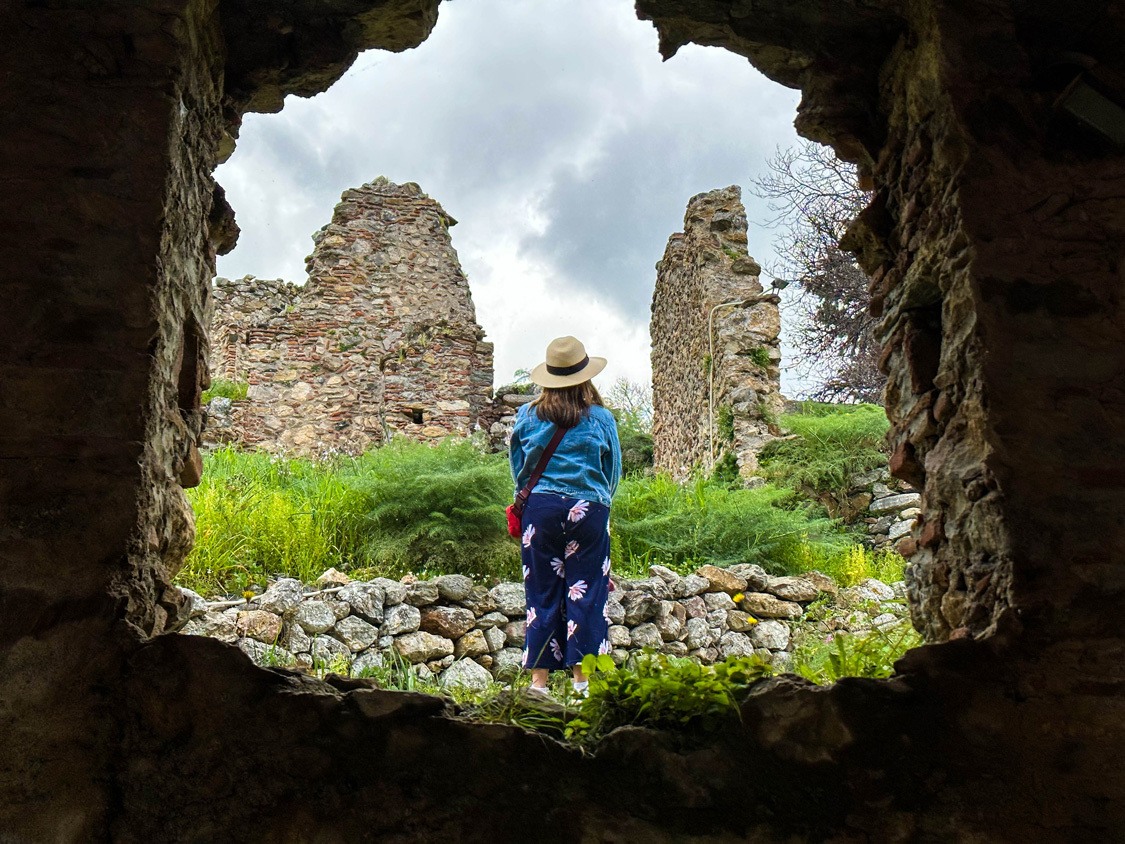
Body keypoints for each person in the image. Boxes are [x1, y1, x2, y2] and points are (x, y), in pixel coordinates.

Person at [509, 336, 622, 699]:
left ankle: (539, 687)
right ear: (585, 377)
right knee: (586, 594)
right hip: (589, 510)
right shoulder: (601, 418)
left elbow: (519, 470)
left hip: (540, 510)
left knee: (541, 594)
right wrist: (595, 503)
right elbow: (613, 473)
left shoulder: (527, 415)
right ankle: (581, 686)